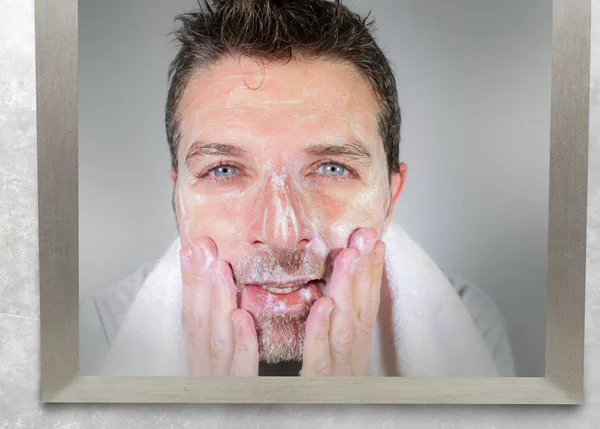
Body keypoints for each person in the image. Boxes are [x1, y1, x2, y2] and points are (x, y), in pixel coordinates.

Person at [79, 0, 517, 377]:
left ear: (390, 197)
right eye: (225, 170)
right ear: (178, 200)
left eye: (331, 168)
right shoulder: (96, 340)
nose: (282, 234)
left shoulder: (466, 326)